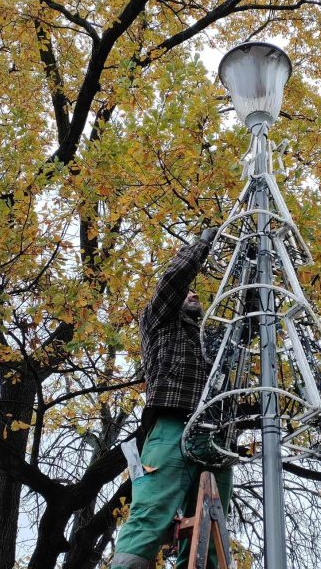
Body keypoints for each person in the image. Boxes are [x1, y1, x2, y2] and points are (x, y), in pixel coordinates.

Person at [110, 228, 232, 569]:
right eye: (187, 293)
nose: (193, 294)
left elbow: (242, 334)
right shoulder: (160, 320)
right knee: (150, 516)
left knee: (210, 532)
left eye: (197, 294)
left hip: (216, 439)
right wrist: (205, 242)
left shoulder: (212, 343)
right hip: (171, 426)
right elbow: (177, 277)